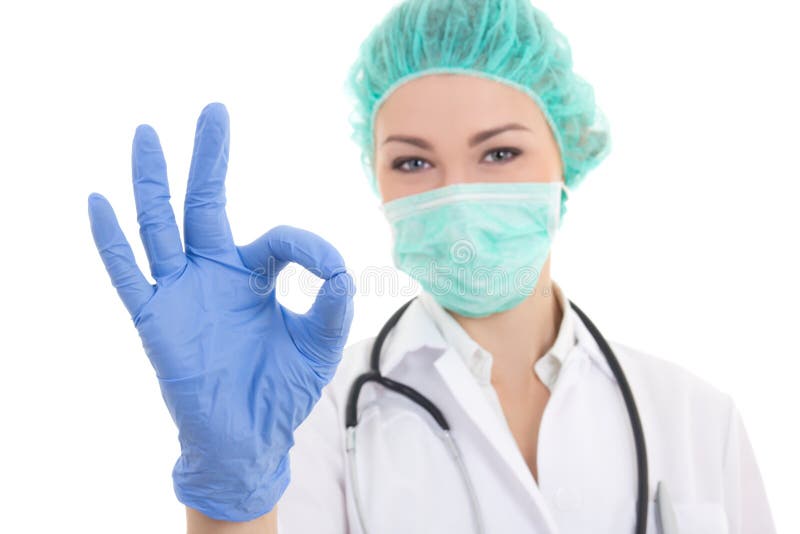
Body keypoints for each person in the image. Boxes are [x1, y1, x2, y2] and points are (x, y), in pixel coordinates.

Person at [87, 0, 775, 533]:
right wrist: (229, 492)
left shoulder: (697, 419)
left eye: (499, 153)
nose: (456, 194)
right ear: (376, 178)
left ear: (570, 151)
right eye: (414, 162)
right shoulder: (315, 417)